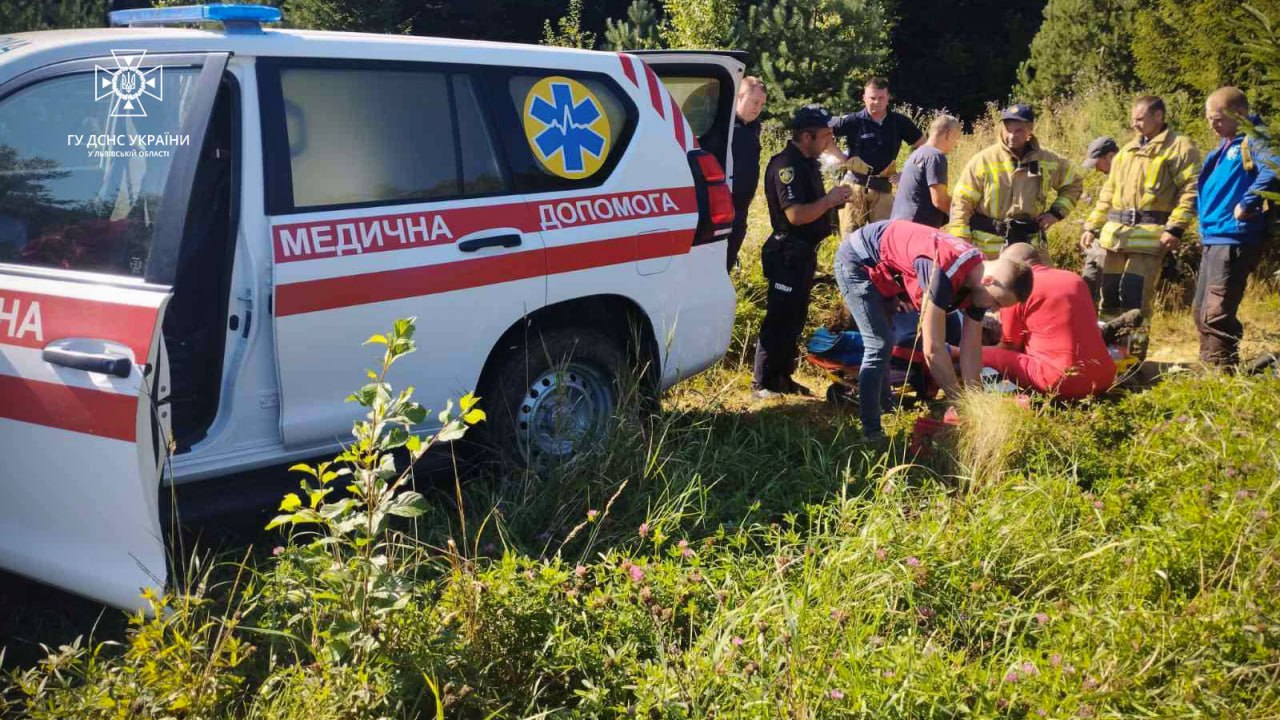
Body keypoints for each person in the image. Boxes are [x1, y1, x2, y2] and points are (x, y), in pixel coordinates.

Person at [833, 219, 1035, 439]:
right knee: (879, 345)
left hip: (888, 269)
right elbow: (933, 349)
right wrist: (959, 402)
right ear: (989, 281)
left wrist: (976, 401)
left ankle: (886, 406)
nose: (993, 309)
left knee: (886, 341)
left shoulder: (979, 283)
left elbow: (971, 347)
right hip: (858, 261)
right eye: (996, 302)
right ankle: (871, 433)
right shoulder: (941, 270)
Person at [1081, 96, 1201, 357]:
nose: (1134, 124)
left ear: (1158, 116)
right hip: (1115, 239)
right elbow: (1108, 192)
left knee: (1135, 298)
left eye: (1140, 119)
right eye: (1133, 119)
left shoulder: (1179, 148)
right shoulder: (1126, 151)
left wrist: (1176, 227)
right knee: (1109, 297)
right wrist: (1092, 226)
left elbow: (1191, 189)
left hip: (1148, 239)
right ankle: (1109, 355)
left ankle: (1133, 358)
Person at [752, 105, 854, 399]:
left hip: (804, 252)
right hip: (786, 252)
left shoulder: (808, 162)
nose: (828, 142)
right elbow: (796, 214)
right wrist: (829, 200)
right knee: (779, 317)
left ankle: (783, 378)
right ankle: (763, 383)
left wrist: (834, 202)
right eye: (824, 136)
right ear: (806, 136)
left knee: (795, 318)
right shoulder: (787, 165)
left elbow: (814, 206)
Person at [1194, 86, 1279, 368]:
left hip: (1234, 238)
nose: (1212, 125)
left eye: (1217, 118)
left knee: (1216, 313)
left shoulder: (1255, 139)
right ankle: (1211, 367)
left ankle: (1220, 375)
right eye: (1209, 119)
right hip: (1214, 236)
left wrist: (1248, 202)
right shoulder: (1227, 145)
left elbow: (1274, 167)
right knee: (1200, 311)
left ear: (1240, 114)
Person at [947, 104, 1082, 259]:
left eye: (1019, 130)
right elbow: (961, 201)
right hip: (989, 250)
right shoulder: (983, 160)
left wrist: (1055, 213)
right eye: (1008, 130)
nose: (1011, 135)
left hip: (1030, 248)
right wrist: (961, 241)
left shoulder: (1047, 160)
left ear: (1030, 131)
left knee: (1041, 282)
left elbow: (1074, 184)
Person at [981, 244, 1116, 399]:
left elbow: (1009, 346)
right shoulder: (1074, 278)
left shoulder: (1016, 288)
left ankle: (953, 353)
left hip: (1059, 381)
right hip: (1104, 377)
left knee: (976, 354)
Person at [827, 77, 924, 238]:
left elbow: (923, 147)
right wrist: (841, 157)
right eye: (872, 98)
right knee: (850, 240)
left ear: (888, 98)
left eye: (881, 98)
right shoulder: (853, 120)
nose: (876, 102)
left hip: (883, 188)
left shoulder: (899, 122)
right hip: (854, 187)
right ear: (864, 98)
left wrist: (907, 173)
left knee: (884, 240)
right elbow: (822, 130)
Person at [891, 114, 961, 228]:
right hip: (917, 230)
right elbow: (939, 200)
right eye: (956, 138)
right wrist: (965, 211)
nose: (956, 144)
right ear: (948, 134)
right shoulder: (935, 156)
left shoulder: (917, 154)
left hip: (899, 226)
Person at [726, 76, 767, 272]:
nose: (758, 108)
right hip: (722, 206)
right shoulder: (724, 124)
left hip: (742, 208)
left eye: (761, 104)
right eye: (755, 102)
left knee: (731, 254)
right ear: (739, 96)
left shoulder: (754, 126)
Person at [1078, 136, 1120, 304]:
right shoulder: (1113, 177)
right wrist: (1091, 228)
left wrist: (1092, 228)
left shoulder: (1128, 175)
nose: (1096, 170)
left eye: (1097, 163)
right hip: (1107, 237)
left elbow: (1106, 204)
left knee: (1109, 290)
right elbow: (1104, 204)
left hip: (1121, 243)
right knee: (1089, 279)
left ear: (1110, 157)